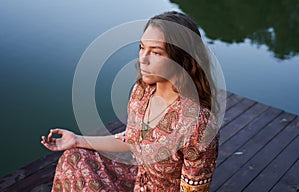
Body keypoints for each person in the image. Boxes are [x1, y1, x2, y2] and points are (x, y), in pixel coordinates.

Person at [41, 11, 221, 192]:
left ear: (181, 59)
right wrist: (77, 140)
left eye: (156, 52)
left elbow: (194, 189)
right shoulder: (141, 91)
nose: (143, 59)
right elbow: (133, 139)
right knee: (74, 158)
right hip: (137, 178)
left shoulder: (198, 125)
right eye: (142, 48)